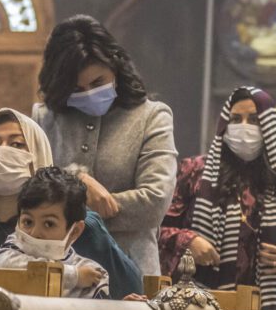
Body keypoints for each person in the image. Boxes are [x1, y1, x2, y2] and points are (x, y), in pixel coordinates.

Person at [0, 107, 143, 298]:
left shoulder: (82, 225)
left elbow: (129, 287)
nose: (2, 152)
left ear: (37, 152)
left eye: (16, 144)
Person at [33, 15, 176, 277]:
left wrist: (64, 210)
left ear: (116, 68)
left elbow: (154, 203)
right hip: (57, 270)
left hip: (129, 271)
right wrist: (77, 181)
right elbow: (29, 192)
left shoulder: (151, 117)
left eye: (98, 82)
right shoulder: (45, 118)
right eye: (77, 89)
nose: (89, 92)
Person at [159, 86, 276, 310]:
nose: (244, 127)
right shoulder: (194, 171)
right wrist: (188, 241)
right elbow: (157, 230)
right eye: (236, 119)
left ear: (269, 127)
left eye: (254, 120)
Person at [0, 167, 109, 299]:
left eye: (49, 224)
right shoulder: (10, 251)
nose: (34, 233)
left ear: (75, 231)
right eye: (28, 222)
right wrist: (72, 276)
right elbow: (4, 267)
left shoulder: (91, 273)